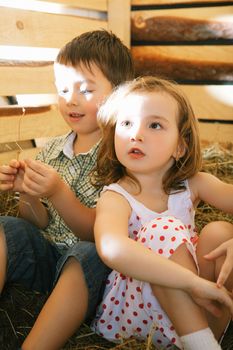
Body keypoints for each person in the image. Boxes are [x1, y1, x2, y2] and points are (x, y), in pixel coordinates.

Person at [0, 30, 134, 350]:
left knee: (87, 253)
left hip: (97, 279)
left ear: (120, 95)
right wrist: (28, 193)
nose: (70, 100)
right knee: (7, 227)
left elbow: (100, 235)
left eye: (86, 90)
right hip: (50, 264)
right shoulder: (52, 150)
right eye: (62, 89)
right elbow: (38, 223)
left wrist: (59, 191)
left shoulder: (123, 156)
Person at [90, 76, 233, 350]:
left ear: (180, 146)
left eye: (154, 125)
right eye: (127, 123)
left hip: (198, 307)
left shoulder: (194, 184)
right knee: (161, 229)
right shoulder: (116, 196)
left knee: (220, 232)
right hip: (142, 314)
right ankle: (201, 344)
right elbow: (111, 247)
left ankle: (209, 334)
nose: (136, 134)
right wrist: (191, 282)